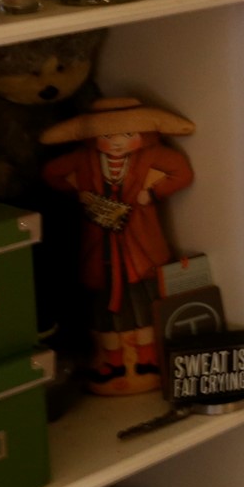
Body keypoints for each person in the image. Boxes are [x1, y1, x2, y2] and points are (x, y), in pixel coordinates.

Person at [40, 96, 195, 394]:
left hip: (140, 247)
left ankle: (148, 360)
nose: (116, 143)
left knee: (143, 302)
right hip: (101, 249)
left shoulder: (152, 157)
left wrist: (153, 193)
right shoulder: (83, 161)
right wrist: (80, 192)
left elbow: (182, 172)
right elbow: (52, 173)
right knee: (105, 308)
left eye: (127, 135)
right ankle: (111, 362)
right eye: (107, 136)